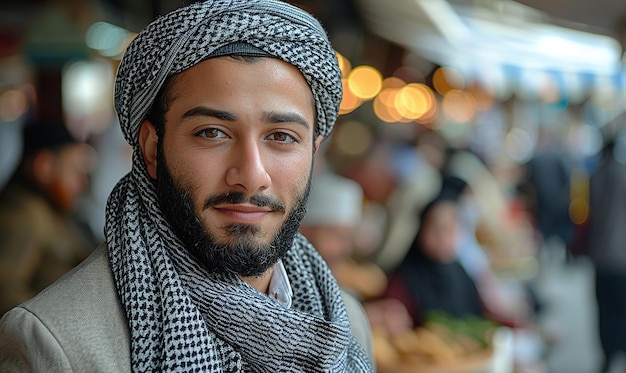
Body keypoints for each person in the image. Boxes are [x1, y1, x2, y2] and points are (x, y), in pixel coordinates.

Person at [0, 1, 373, 372]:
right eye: (212, 133)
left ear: (313, 150)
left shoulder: (346, 323)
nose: (251, 174)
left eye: (281, 136)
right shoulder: (56, 345)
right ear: (151, 149)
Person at [0, 120, 96, 315]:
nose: (82, 182)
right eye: (74, 170)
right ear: (43, 166)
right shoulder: (20, 215)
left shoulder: (51, 209)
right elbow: (5, 294)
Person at [584, 136, 626, 373]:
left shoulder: (595, 176)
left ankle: (608, 355)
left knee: (604, 312)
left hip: (601, 257)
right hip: (622, 259)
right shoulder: (623, 176)